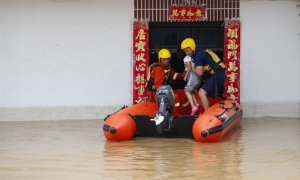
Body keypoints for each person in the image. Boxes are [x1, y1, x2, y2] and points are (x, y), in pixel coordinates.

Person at [181, 38, 226, 110]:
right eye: (184, 51)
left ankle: (206, 114)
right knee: (204, 92)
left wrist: (190, 67)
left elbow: (199, 73)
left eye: (187, 50)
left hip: (217, 74)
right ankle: (210, 111)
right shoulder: (201, 51)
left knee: (201, 93)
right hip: (218, 73)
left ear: (192, 47)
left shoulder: (198, 55)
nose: (186, 53)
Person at [146, 48, 190, 117]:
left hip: (164, 91)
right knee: (176, 97)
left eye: (167, 59)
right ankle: (175, 116)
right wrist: (168, 92)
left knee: (183, 93)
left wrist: (182, 75)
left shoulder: (167, 67)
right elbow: (158, 87)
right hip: (154, 93)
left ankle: (186, 114)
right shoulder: (158, 69)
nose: (166, 61)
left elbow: (173, 75)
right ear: (160, 59)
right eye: (164, 59)